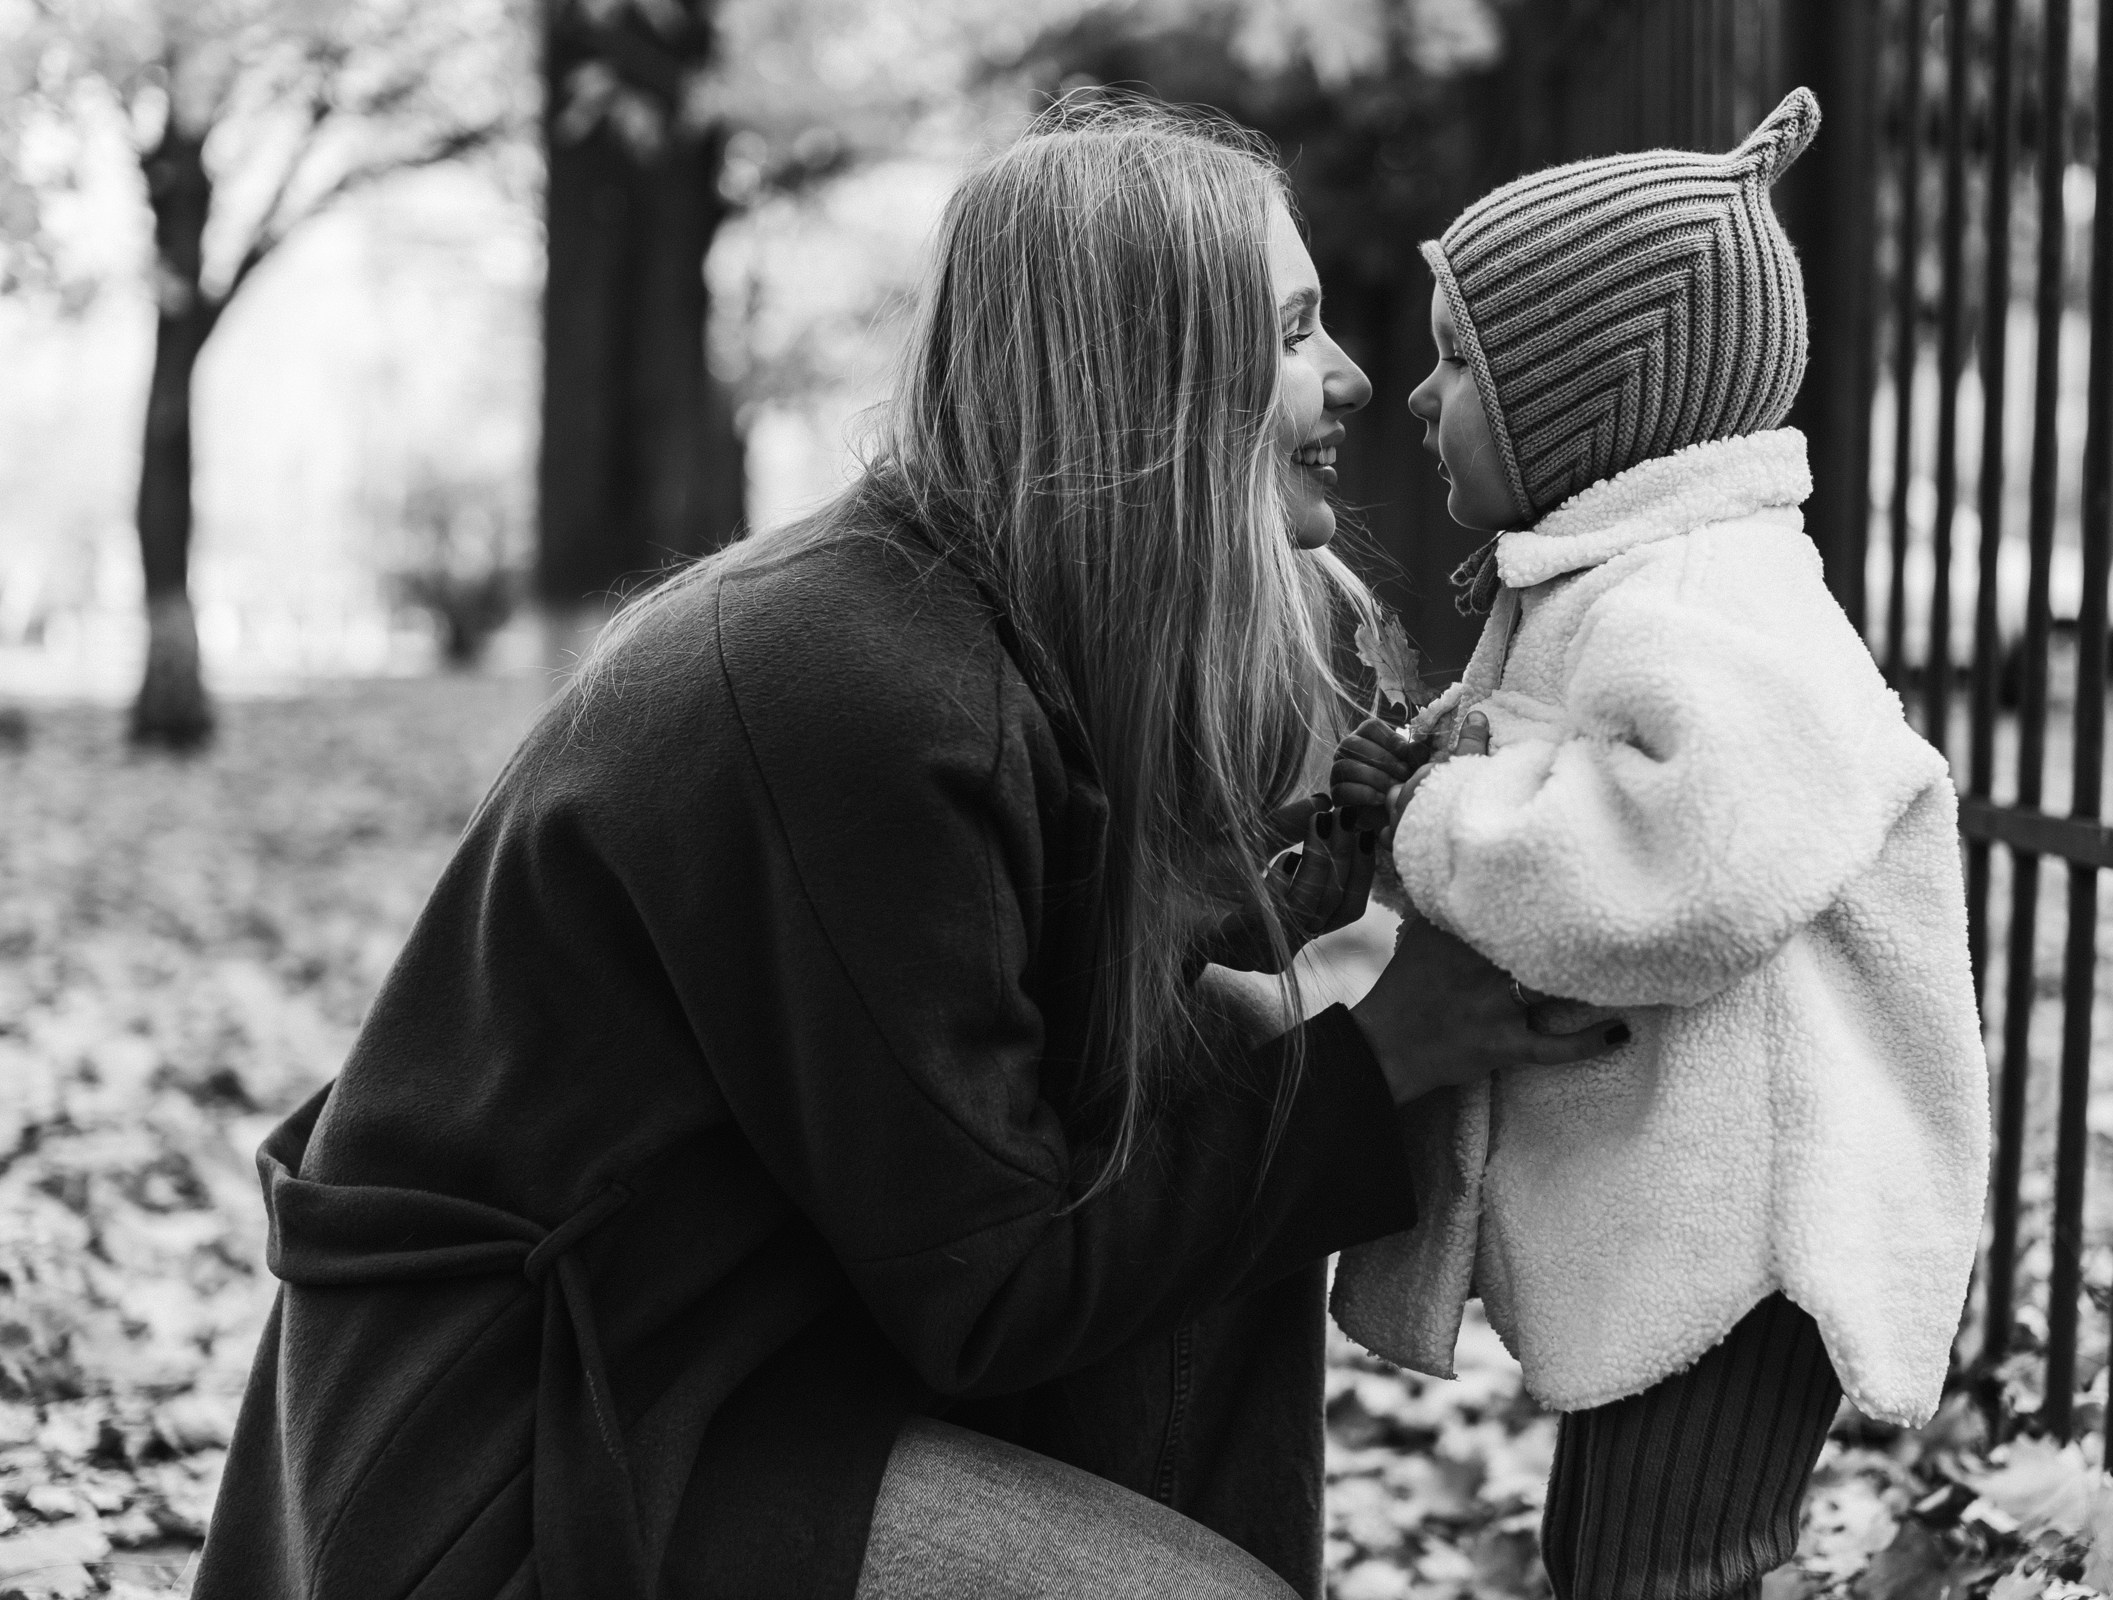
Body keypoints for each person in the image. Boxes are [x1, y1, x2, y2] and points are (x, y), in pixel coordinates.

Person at [189, 102, 1625, 1600]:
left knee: (1234, 1057)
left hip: (756, 1344)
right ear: (1150, 379)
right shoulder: (855, 687)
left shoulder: (994, 629)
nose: (1349, 380)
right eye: (1291, 332)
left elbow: (1070, 1058)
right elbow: (993, 1286)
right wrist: (1383, 1051)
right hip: (538, 1445)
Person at [1328, 89, 1992, 1600]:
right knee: (1635, 1564)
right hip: (1695, 1230)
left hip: (1758, 1235)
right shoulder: (1620, 585)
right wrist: (1425, 787)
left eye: (1458, 362)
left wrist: (1434, 818)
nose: (1418, 401)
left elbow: (1681, 863)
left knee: (1660, 1573)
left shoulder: (1703, 590)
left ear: (1588, 400)